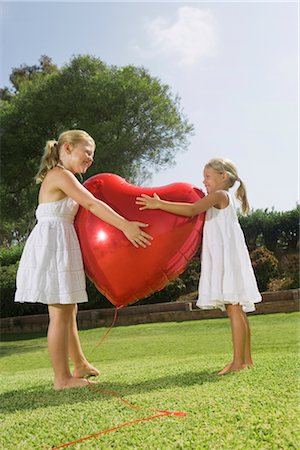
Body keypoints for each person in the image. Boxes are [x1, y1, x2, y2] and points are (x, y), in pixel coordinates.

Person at [15, 130, 152, 390]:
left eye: (92, 155)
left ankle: (79, 364)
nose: (90, 159)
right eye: (86, 152)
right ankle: (61, 379)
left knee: (69, 309)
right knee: (59, 313)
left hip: (61, 242)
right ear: (67, 148)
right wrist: (125, 226)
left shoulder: (65, 176)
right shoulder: (60, 175)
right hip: (52, 245)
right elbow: (91, 204)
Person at [136, 157, 261, 375]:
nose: (204, 182)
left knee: (234, 309)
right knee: (237, 309)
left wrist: (159, 204)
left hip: (226, 257)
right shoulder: (222, 197)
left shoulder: (220, 195)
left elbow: (192, 209)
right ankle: (246, 360)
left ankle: (238, 362)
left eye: (208, 177)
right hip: (227, 255)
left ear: (223, 176)